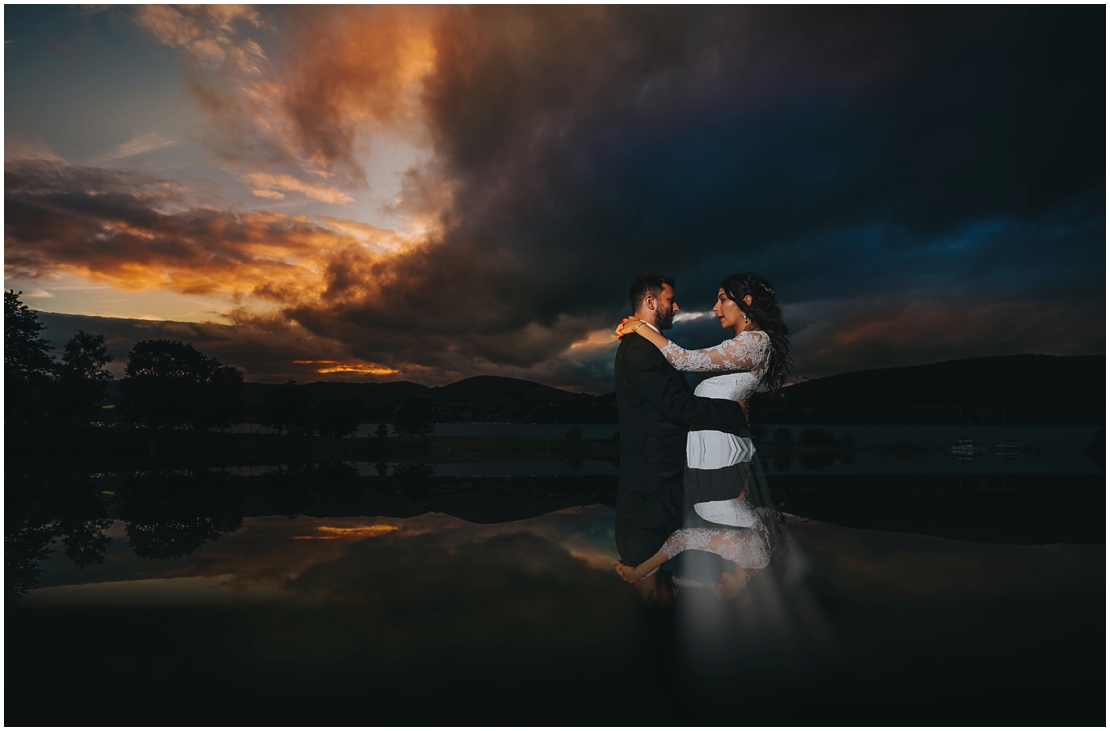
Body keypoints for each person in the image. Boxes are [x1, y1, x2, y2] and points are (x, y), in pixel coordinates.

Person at [612, 273, 751, 597]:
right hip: (659, 465)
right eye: (670, 299)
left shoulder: (640, 552)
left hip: (660, 467)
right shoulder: (640, 349)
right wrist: (735, 414)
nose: (675, 307)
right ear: (651, 302)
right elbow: (677, 407)